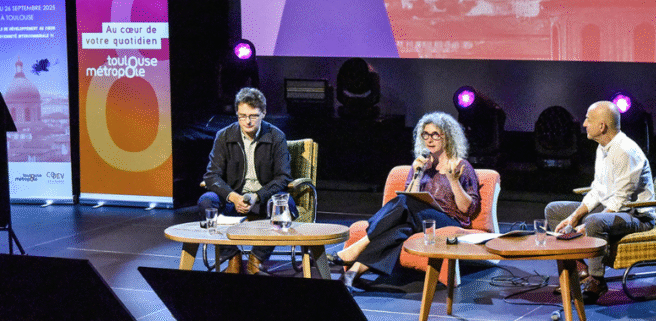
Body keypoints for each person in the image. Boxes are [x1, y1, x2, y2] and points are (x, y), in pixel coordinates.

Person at [328, 112, 481, 291]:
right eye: (425, 134)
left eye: (435, 135)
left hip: (448, 220)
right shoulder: (422, 164)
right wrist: (418, 174)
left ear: (446, 137)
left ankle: (358, 246)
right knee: (400, 228)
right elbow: (409, 197)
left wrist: (453, 180)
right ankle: (352, 274)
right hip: (417, 218)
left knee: (405, 203)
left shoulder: (461, 166)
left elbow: (467, 210)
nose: (429, 140)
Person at [545, 101, 656, 303]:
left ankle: (597, 281)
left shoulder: (624, 151)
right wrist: (573, 218)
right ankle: (580, 273)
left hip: (637, 216)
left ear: (602, 126)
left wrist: (583, 228)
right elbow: (598, 190)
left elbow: (620, 202)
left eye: (588, 119)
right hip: (612, 210)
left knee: (595, 221)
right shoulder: (602, 147)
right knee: (554, 210)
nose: (585, 124)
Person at [199, 87, 295, 275]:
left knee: (288, 204)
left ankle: (255, 260)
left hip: (263, 200)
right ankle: (233, 257)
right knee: (206, 201)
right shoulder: (224, 136)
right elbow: (211, 175)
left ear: (264, 113)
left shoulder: (276, 136)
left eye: (253, 115)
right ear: (236, 113)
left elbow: (283, 177)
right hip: (233, 201)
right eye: (242, 116)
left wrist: (257, 197)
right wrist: (233, 196)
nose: (248, 121)